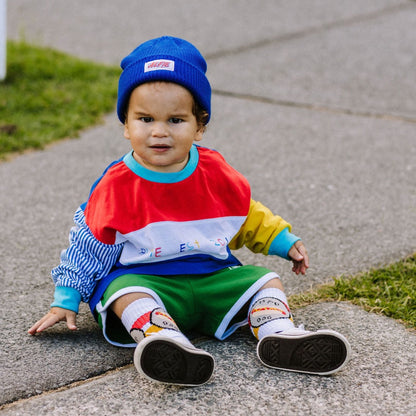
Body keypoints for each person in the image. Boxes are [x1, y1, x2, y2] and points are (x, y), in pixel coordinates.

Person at [28, 36, 351, 386]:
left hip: (212, 277)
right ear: (125, 125)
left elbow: (244, 214)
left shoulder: (214, 171)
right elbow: (87, 244)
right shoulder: (117, 185)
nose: (159, 132)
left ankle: (277, 331)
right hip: (150, 281)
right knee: (122, 291)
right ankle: (162, 340)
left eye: (176, 120)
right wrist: (67, 297)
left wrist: (282, 240)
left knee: (264, 280)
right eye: (146, 119)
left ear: (199, 125)